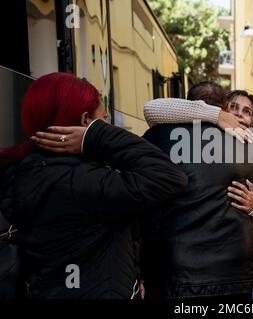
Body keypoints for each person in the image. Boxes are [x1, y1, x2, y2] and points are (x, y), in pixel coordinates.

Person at [0, 72, 188, 299]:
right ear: (85, 121)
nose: (108, 125)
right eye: (104, 120)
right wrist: (96, 137)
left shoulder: (31, 171)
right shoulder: (78, 180)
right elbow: (169, 177)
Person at [141, 82, 253, 300]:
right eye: (233, 108)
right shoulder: (252, 148)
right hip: (233, 277)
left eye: (247, 111)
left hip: (172, 272)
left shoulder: (155, 137)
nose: (239, 116)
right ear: (223, 108)